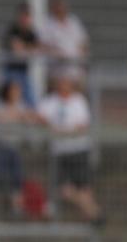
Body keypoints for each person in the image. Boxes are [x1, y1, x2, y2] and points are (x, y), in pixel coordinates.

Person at [37, 70, 103, 225]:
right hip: (60, 151)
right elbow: (41, 119)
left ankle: (91, 220)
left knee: (84, 188)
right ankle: (95, 212)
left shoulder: (78, 101)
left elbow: (82, 125)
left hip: (78, 149)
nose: (63, 85)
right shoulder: (49, 102)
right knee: (64, 190)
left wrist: (62, 130)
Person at [0, 80, 36, 216]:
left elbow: (30, 119)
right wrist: (17, 115)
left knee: (17, 178)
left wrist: (20, 115)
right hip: (1, 146)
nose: (17, 93)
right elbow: (1, 118)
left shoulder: (21, 105)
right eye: (14, 90)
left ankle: (16, 207)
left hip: (14, 147)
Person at [1, 3, 39, 107]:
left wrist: (26, 48)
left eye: (27, 16)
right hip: (11, 71)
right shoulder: (12, 30)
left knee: (31, 102)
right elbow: (17, 48)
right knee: (8, 100)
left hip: (24, 72)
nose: (25, 18)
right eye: (23, 15)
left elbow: (37, 48)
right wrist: (28, 48)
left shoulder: (31, 33)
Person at [40, 0, 88, 66]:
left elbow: (83, 42)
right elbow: (43, 44)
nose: (61, 9)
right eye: (58, 7)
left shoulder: (74, 22)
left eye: (62, 6)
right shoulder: (48, 24)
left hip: (75, 67)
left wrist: (81, 55)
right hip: (56, 67)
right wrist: (56, 52)